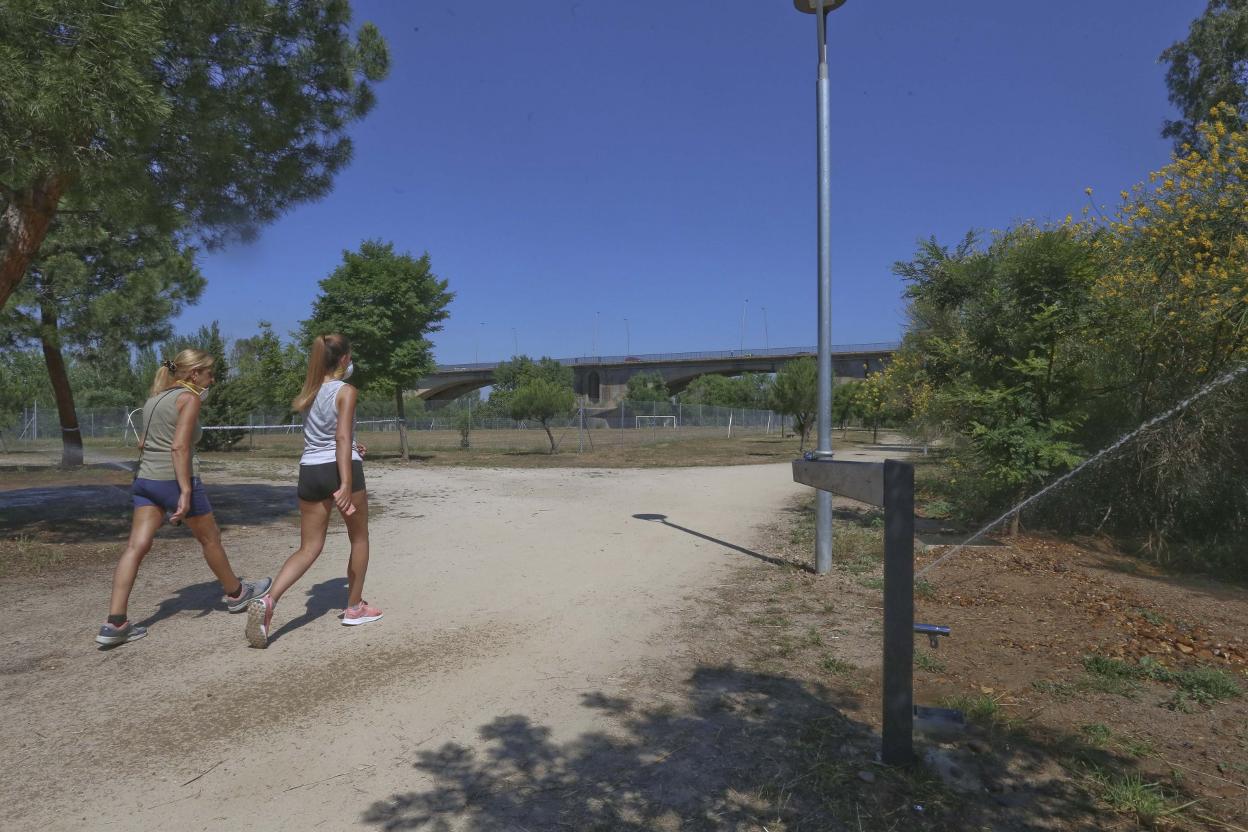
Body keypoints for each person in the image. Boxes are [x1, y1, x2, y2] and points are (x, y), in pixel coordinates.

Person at [96, 349, 272, 646]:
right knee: (210, 538)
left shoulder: (154, 399)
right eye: (209, 373)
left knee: (135, 547)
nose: (212, 379)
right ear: (194, 374)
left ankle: (115, 623)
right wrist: (185, 491)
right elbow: (179, 448)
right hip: (175, 480)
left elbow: (143, 443)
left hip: (145, 481)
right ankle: (236, 594)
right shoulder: (187, 399)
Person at [246, 333, 381, 648]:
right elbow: (341, 440)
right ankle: (354, 607)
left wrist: (351, 444)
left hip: (310, 470)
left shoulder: (309, 392)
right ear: (344, 359)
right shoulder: (346, 391)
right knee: (359, 537)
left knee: (308, 548)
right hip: (340, 468)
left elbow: (327, 434)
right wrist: (346, 483)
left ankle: (269, 601)